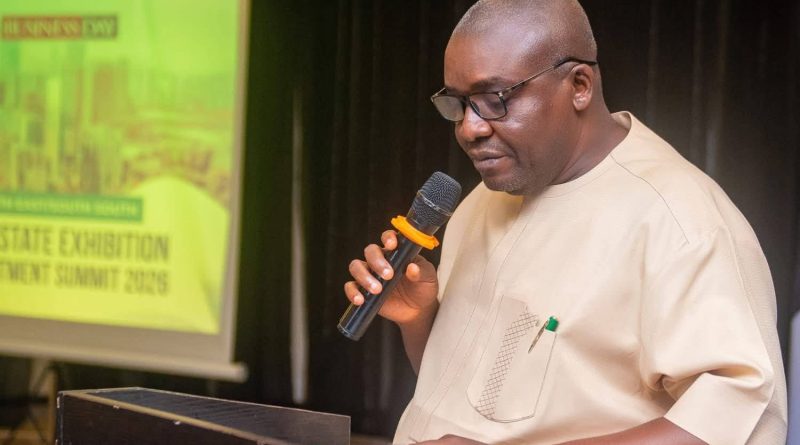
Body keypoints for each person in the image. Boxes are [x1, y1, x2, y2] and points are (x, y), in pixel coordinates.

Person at [343, 1, 787, 443]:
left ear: (579, 86)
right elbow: (466, 400)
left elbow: (732, 427)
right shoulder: (482, 202)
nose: (469, 129)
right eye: (458, 105)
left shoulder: (680, 221)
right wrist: (419, 319)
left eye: (494, 100)